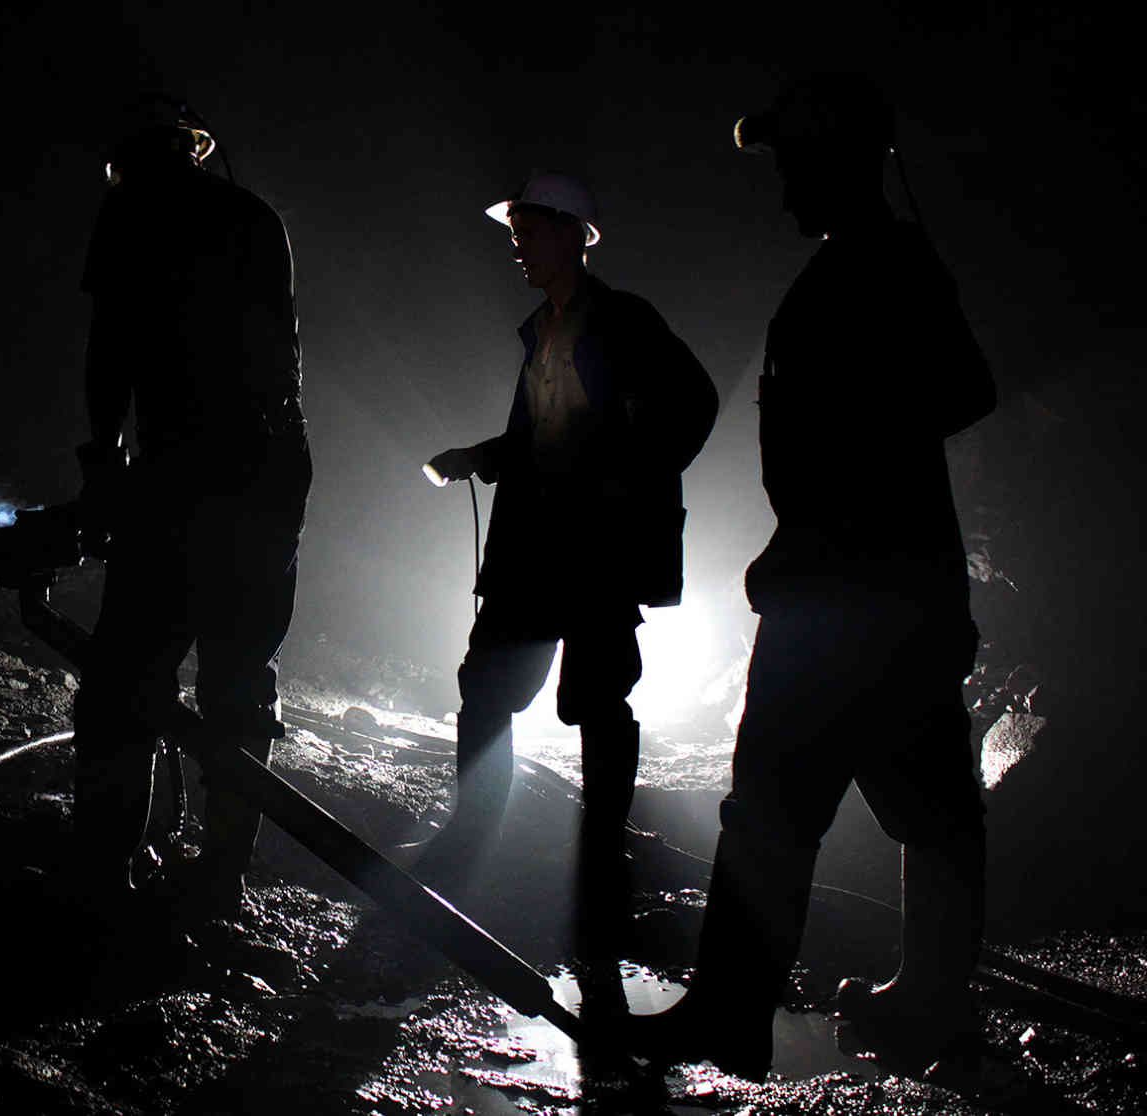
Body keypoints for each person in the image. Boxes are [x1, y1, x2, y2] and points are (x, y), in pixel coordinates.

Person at [627, 73, 996, 1078]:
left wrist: (828, 525)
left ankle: (744, 1015)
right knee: (921, 810)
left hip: (848, 602)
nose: (784, 188)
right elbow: (949, 396)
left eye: (794, 165)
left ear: (839, 160)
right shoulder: (864, 266)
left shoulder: (879, 267)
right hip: (874, 596)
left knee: (784, 812)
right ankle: (923, 1006)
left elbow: (959, 391)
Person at [419, 174, 717, 945]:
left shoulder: (623, 321)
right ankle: (473, 839)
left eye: (526, 229)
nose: (515, 244)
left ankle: (601, 864)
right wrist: (481, 455)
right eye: (513, 230)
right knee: (487, 687)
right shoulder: (543, 331)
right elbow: (542, 440)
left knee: (596, 701)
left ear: (570, 233)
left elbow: (695, 403)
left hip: (598, 553)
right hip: (534, 548)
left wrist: (628, 484)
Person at [71, 97, 311, 924]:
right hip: (271, 472)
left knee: (123, 676)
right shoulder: (254, 217)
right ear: (193, 149)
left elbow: (112, 353)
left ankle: (104, 873)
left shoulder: (130, 212)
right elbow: (283, 357)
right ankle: (220, 880)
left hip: (186, 476)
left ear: (131, 159)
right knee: (239, 681)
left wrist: (105, 462)